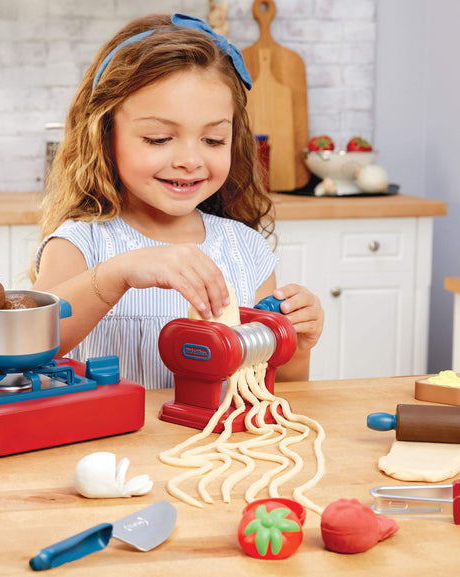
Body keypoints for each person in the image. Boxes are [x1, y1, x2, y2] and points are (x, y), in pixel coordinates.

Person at [32, 13, 324, 389]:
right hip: (111, 447)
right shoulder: (81, 243)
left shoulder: (245, 249)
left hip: (215, 446)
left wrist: (297, 346)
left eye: (213, 140)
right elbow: (33, 345)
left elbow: (279, 384)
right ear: (105, 135)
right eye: (158, 139)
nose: (190, 160)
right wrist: (118, 273)